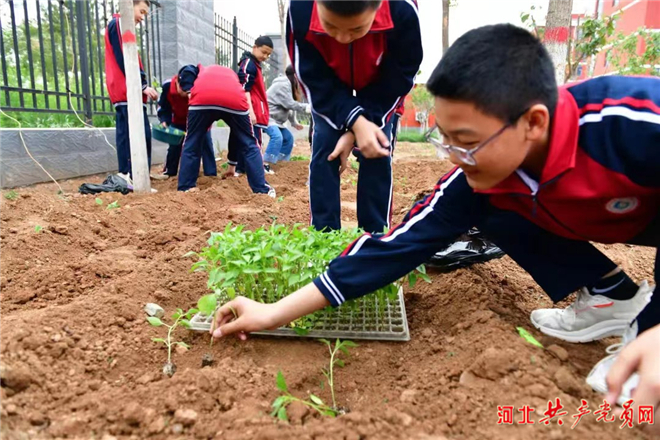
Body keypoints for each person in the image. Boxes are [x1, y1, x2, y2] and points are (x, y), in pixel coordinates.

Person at [211, 24, 659, 407]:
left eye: (465, 140)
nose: (456, 158)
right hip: (608, 213)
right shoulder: (480, 174)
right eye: (445, 140)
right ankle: (610, 296)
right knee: (496, 207)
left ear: (535, 123)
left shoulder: (632, 124)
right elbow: (394, 249)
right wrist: (272, 312)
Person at [287, 0, 423, 232]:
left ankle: (373, 238)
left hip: (379, 86)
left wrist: (361, 125)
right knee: (325, 150)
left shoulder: (402, 10)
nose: (342, 38)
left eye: (357, 29)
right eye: (330, 26)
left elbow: (400, 74)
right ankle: (323, 237)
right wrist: (353, 120)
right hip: (330, 85)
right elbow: (313, 77)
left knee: (376, 150)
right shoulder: (301, 7)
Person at [175, 63, 275, 198]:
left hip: (202, 98)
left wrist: (188, 91)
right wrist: (232, 165)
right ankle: (262, 190)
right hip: (235, 99)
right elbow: (236, 135)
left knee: (192, 142)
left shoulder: (197, 69)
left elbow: (186, 70)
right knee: (249, 144)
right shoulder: (230, 75)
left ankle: (185, 187)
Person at [104, 0, 158, 182]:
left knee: (131, 133)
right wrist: (142, 85)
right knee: (134, 135)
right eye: (141, 11)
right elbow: (125, 56)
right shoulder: (120, 24)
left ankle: (133, 174)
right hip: (126, 91)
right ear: (130, 5)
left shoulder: (120, 25)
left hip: (126, 91)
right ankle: (131, 175)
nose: (142, 18)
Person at [153, 74, 216, 180]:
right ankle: (170, 171)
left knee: (206, 144)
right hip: (179, 120)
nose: (186, 92)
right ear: (177, 82)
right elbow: (164, 106)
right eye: (183, 88)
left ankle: (210, 173)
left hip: (199, 120)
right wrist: (164, 120)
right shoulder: (168, 86)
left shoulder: (199, 86)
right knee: (174, 145)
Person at [232, 36, 274, 176]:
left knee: (250, 141)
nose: (265, 56)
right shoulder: (249, 63)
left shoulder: (254, 65)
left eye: (268, 54)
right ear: (254, 47)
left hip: (256, 110)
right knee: (254, 143)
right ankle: (255, 171)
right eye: (264, 52)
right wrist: (250, 111)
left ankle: (243, 170)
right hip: (253, 110)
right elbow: (244, 88)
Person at [263, 65, 310, 165]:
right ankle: (265, 164)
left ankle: (280, 164)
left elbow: (287, 107)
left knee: (288, 139)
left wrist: (294, 122)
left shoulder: (289, 85)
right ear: (296, 75)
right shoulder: (283, 85)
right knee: (277, 137)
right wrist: (307, 107)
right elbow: (289, 104)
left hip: (277, 121)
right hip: (267, 117)